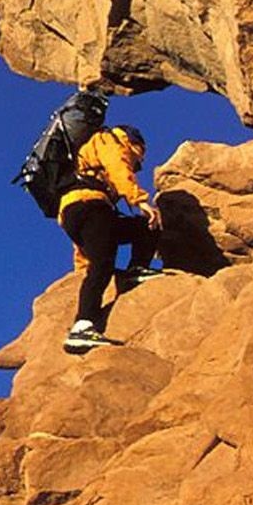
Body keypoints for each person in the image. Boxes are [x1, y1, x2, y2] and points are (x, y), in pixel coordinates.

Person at [57, 124, 164, 353]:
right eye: (138, 159)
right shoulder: (109, 141)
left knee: (142, 227)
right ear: (134, 145)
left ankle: (136, 271)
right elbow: (118, 168)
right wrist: (140, 201)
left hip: (76, 211)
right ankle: (82, 327)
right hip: (91, 206)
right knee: (103, 264)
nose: (136, 165)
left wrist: (80, 264)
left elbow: (86, 240)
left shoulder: (91, 153)